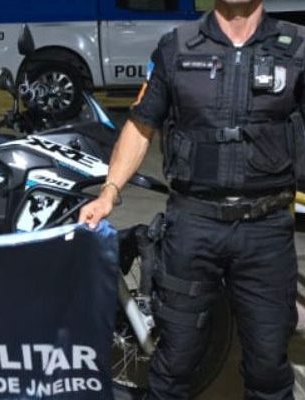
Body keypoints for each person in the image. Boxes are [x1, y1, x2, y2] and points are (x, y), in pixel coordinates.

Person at [79, 0, 304, 399]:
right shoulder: (177, 47)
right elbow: (141, 125)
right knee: (174, 361)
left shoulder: (296, 48)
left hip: (266, 229)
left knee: (269, 365)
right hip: (193, 226)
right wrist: (109, 192)